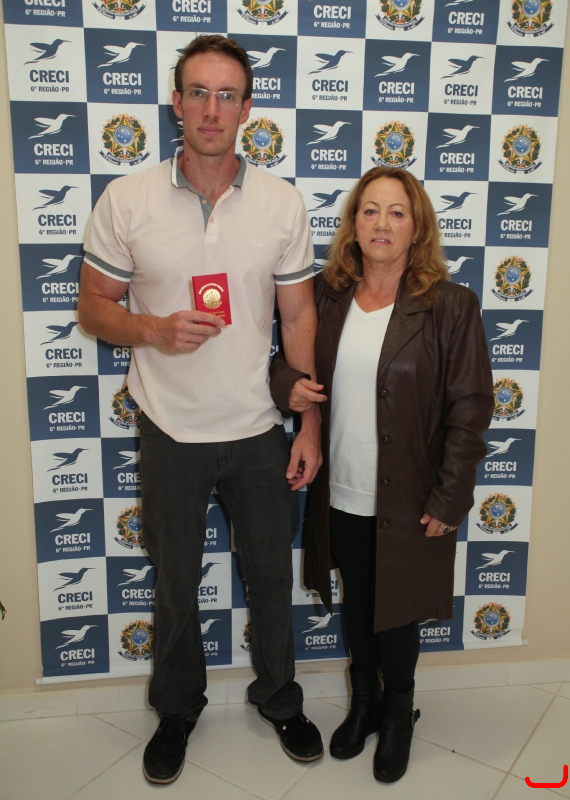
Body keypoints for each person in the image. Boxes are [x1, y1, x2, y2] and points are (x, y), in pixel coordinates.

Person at [77, 35, 324, 785]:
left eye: (227, 95)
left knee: (271, 580)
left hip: (258, 429)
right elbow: (93, 307)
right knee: (175, 583)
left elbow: (300, 316)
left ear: (246, 109)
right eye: (198, 92)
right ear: (176, 102)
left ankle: (279, 698)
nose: (211, 109)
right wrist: (153, 329)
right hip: (169, 428)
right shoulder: (127, 198)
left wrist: (309, 422)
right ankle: (178, 710)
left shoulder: (280, 201)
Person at [271, 167, 494, 783]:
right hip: (340, 487)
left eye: (397, 212)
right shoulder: (327, 297)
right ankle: (364, 701)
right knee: (358, 602)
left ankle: (398, 713)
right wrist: (289, 386)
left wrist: (450, 498)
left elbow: (471, 408)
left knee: (395, 612)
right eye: (370, 210)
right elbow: (284, 361)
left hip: (411, 495)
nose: (382, 224)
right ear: (353, 223)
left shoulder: (449, 305)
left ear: (417, 226)